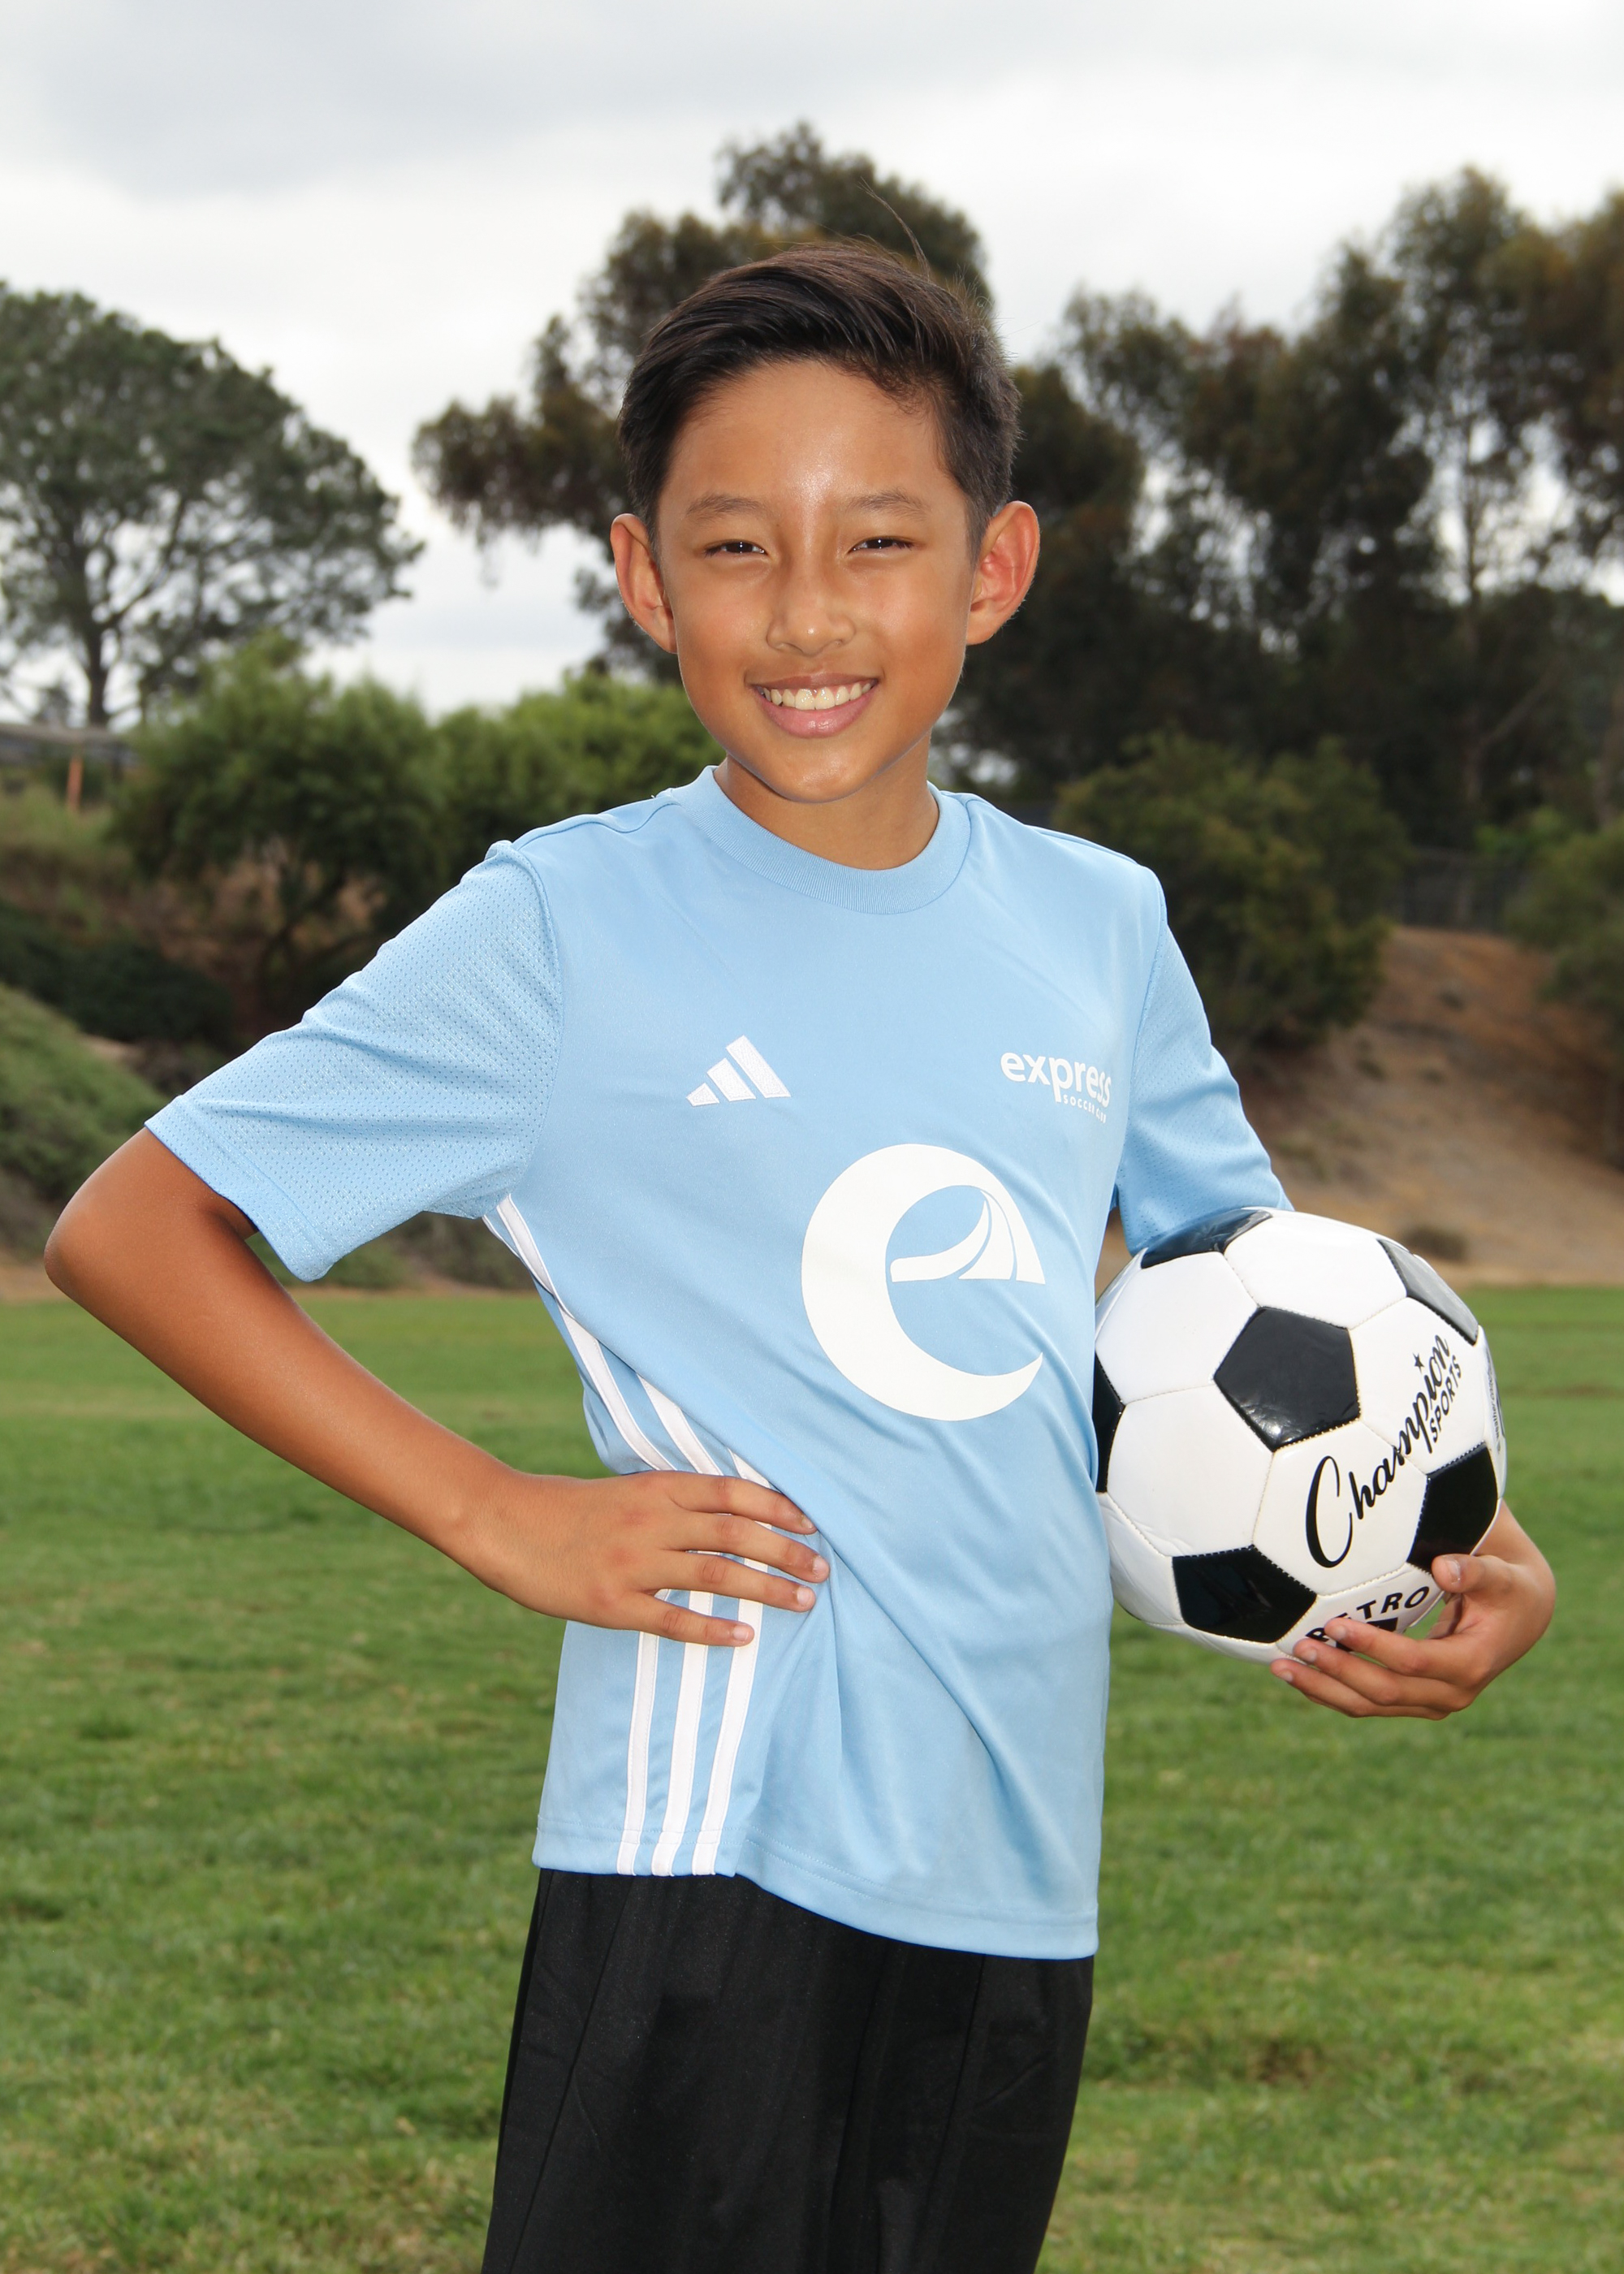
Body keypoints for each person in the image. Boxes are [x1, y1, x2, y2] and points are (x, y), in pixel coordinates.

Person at [45, 245, 1556, 2274]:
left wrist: (1468, 1550)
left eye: (880, 540)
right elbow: (136, 1225)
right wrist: (493, 1509)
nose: (810, 610)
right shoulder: (561, 927)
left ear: (993, 568)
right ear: (644, 577)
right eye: (738, 544)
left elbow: (1263, 1318)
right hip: (707, 1856)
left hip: (1017, 1872)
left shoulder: (1099, 927)